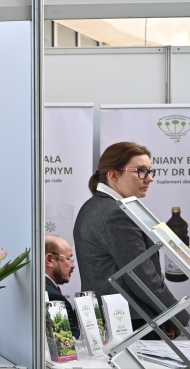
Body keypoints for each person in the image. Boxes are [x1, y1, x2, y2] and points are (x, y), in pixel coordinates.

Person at [74, 141, 187, 336]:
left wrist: (166, 317)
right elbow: (141, 276)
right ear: (113, 175)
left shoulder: (94, 205)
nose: (149, 178)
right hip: (128, 322)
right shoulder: (115, 213)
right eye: (141, 171)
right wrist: (178, 317)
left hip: (119, 318)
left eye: (150, 171)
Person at [45, 235, 80, 337]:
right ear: (49, 260)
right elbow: (69, 340)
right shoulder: (52, 296)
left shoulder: (37, 287)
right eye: (69, 259)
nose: (73, 265)